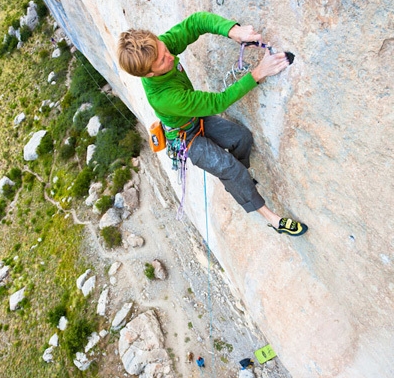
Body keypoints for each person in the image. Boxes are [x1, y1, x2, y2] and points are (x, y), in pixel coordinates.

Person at [118, 12, 307, 236]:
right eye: (162, 60)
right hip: (185, 138)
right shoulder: (164, 96)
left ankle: (239, 181)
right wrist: (259, 73)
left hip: (195, 118)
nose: (169, 56)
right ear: (149, 73)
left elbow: (195, 23)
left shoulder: (159, 50)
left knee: (241, 139)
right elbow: (218, 102)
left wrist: (232, 30)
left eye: (165, 49)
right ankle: (273, 220)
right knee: (229, 168)